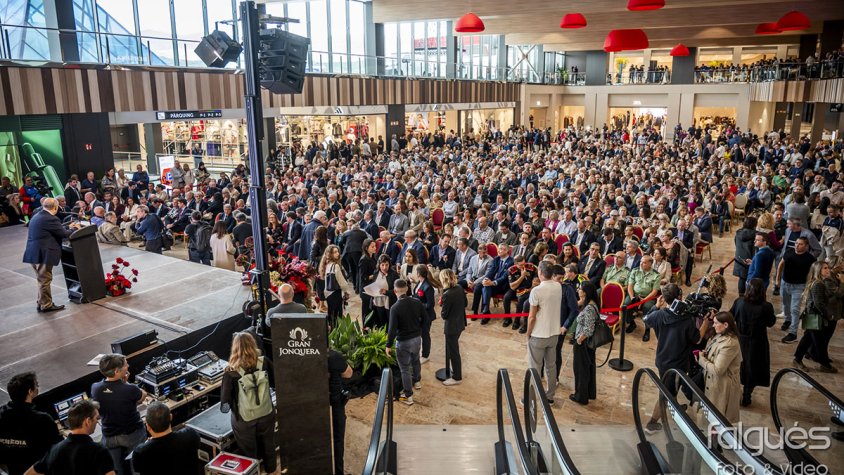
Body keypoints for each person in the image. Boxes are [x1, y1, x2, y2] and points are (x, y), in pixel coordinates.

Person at [642, 284, 700, 434]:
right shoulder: (686, 319)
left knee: (670, 387)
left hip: (662, 359)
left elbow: (646, 320)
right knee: (666, 393)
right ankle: (652, 423)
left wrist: (656, 306)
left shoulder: (659, 315)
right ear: (679, 297)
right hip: (677, 364)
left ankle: (674, 404)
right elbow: (697, 339)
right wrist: (705, 322)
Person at [220, 332, 278, 475]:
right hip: (266, 413)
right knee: (269, 446)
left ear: (234, 348)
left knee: (248, 452)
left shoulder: (231, 372)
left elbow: (225, 406)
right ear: (253, 344)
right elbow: (276, 383)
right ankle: (272, 471)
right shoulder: (264, 362)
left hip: (245, 421)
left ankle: (253, 471)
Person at [90, 354, 147, 475]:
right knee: (137, 467)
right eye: (126, 364)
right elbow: (142, 396)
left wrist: (122, 383)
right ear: (117, 371)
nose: (128, 366)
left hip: (109, 437)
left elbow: (112, 392)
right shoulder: (130, 389)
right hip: (132, 435)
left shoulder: (95, 388)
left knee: (116, 470)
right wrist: (126, 383)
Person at [24, 400, 115, 475]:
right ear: (87, 421)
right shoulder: (99, 451)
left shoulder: (53, 450)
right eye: (96, 418)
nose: (97, 422)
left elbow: (28, 474)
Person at [22, 197, 78, 312]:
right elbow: (64, 234)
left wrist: (67, 227)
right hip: (43, 254)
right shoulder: (51, 218)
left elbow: (54, 229)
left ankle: (41, 303)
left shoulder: (38, 215)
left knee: (41, 279)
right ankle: (46, 305)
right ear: (55, 207)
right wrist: (75, 229)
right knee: (45, 280)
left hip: (34, 253)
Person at [0, 372, 62, 475]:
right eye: (36, 384)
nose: (38, 386)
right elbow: (57, 449)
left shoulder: (1, 414)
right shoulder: (42, 419)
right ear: (30, 391)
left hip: (13, 470)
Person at [731, 278, 776, 407]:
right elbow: (771, 323)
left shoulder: (739, 302)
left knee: (738, 367)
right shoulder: (766, 307)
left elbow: (731, 316)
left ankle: (734, 393)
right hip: (757, 343)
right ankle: (747, 395)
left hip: (740, 340)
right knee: (753, 369)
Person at [793, 261, 844, 373]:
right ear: (818, 270)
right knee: (819, 342)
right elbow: (819, 304)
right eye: (825, 268)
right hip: (814, 316)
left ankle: (797, 359)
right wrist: (827, 315)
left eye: (827, 267)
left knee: (807, 339)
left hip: (813, 315)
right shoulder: (818, 284)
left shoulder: (819, 282)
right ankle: (824, 365)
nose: (828, 270)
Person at [526, 262, 563, 404]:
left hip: (539, 334)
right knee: (551, 366)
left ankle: (530, 397)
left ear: (540, 273)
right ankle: (550, 396)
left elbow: (532, 317)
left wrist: (528, 333)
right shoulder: (558, 286)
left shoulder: (536, 291)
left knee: (534, 367)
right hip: (554, 333)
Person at [695, 312, 742, 424]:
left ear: (725, 325)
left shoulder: (730, 343)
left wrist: (701, 360)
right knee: (711, 418)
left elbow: (718, 370)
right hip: (713, 383)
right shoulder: (720, 335)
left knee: (718, 420)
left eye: (716, 323)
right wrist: (706, 354)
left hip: (722, 387)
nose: (713, 325)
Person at [131, 402, 200, 475]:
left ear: (148, 426)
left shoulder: (140, 452)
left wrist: (146, 444)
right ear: (171, 417)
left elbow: (138, 469)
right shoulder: (191, 435)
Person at [386, 279, 426, 405]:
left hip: (403, 342)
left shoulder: (395, 308)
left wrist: (388, 345)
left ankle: (408, 396)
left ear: (395, 291)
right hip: (417, 339)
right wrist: (419, 330)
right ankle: (417, 382)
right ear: (407, 289)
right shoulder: (417, 302)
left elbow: (392, 330)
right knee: (416, 360)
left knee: (404, 369)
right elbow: (426, 319)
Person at [775, 236, 817, 343]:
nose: (797, 245)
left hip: (798, 287)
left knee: (795, 309)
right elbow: (781, 264)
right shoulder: (789, 252)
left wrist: (807, 287)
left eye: (800, 244)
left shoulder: (810, 259)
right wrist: (777, 279)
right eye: (796, 243)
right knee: (785, 305)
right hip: (785, 283)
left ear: (806, 246)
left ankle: (793, 333)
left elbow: (812, 274)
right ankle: (787, 320)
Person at [570, 280, 600, 405]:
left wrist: (578, 340)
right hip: (587, 343)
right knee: (588, 368)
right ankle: (588, 393)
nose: (578, 290)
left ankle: (581, 396)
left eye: (580, 289)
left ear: (586, 292)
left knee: (581, 370)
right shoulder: (592, 304)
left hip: (583, 343)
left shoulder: (589, 308)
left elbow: (588, 329)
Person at [624, 255, 661, 341]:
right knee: (626, 305)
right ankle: (632, 323)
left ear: (650, 264)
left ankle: (647, 329)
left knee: (648, 307)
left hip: (648, 297)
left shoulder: (656, 275)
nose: (641, 264)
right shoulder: (635, 270)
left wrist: (644, 300)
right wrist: (632, 297)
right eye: (641, 261)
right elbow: (630, 286)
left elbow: (654, 292)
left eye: (644, 263)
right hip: (635, 295)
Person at [439, 269, 467, 386]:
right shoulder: (459, 288)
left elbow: (444, 315)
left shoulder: (447, 294)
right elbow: (465, 304)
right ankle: (455, 371)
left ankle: (457, 377)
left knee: (454, 352)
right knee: (453, 350)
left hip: (451, 327)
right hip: (460, 323)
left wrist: (442, 304)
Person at [328, 350, 353, 475]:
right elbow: (349, 373)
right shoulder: (334, 356)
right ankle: (339, 471)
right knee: (338, 437)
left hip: (315, 401)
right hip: (335, 400)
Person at [412, 264, 436, 363]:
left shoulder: (428, 287)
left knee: (425, 335)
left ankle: (425, 355)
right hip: (419, 315)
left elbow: (430, 304)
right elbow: (416, 294)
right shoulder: (419, 282)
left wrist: (417, 304)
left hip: (426, 316)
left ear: (418, 273)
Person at [733, 217, 758, 296]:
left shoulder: (738, 232)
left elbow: (736, 243)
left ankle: (740, 296)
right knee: (751, 279)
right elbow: (756, 247)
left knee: (742, 278)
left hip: (739, 258)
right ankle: (748, 296)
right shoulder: (756, 234)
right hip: (750, 259)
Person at [358, 238, 378, 323]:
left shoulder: (373, 257)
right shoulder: (364, 260)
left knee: (372, 309)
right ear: (366, 248)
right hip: (365, 288)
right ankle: (365, 328)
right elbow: (363, 277)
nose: (375, 248)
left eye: (375, 246)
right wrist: (375, 275)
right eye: (372, 247)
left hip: (372, 286)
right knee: (366, 311)